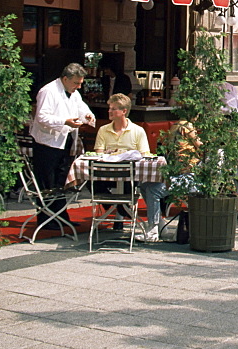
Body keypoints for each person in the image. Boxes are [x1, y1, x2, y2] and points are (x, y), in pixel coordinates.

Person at [29, 63, 96, 228]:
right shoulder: (48, 91)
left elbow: (81, 108)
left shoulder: (73, 92)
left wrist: (87, 116)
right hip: (46, 142)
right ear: (65, 79)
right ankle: (46, 219)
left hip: (65, 140)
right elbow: (42, 117)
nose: (79, 86)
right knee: (47, 181)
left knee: (61, 180)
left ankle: (60, 215)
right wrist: (64, 121)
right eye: (76, 83)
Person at [93, 93, 149, 231]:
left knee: (128, 183)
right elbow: (98, 154)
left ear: (124, 111)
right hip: (106, 175)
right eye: (109, 108)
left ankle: (121, 210)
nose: (109, 111)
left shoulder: (138, 131)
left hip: (129, 176)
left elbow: (144, 155)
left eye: (113, 109)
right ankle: (121, 207)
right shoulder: (103, 130)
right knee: (90, 180)